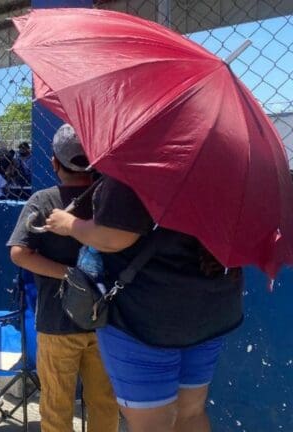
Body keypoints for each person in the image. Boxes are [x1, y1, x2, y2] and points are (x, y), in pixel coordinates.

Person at [44, 160, 243, 430]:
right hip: (213, 308)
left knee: (151, 426)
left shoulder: (139, 160)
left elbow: (113, 237)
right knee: (192, 412)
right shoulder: (227, 166)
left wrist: (69, 224)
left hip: (145, 318)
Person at [8, 124, 119, 432]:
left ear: (54, 162)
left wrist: (68, 275)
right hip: (106, 322)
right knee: (105, 404)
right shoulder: (111, 199)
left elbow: (19, 253)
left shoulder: (44, 201)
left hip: (57, 323)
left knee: (56, 408)